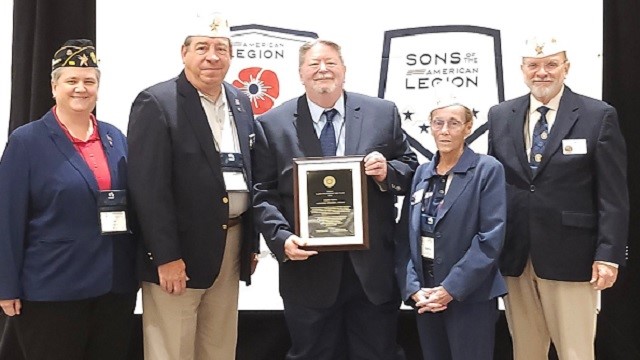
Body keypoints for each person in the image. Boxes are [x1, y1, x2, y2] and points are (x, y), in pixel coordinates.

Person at [253, 39, 418, 360]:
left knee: (379, 353)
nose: (323, 70)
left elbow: (410, 168)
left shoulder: (382, 113)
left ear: (344, 70)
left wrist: (387, 172)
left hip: (372, 269)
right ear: (301, 73)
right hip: (308, 270)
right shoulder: (272, 124)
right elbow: (263, 191)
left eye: (330, 62)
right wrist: (281, 238)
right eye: (313, 64)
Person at [127, 13, 259, 360]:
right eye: (202, 47)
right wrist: (166, 257)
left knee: (219, 346)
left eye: (221, 48)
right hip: (179, 251)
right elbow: (148, 189)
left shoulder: (241, 102)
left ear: (230, 56)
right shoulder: (156, 103)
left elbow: (251, 175)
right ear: (184, 53)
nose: (212, 57)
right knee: (172, 348)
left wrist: (251, 243)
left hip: (230, 244)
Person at [487, 36, 629, 360]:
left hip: (573, 256)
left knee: (575, 352)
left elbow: (613, 195)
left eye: (551, 64)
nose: (542, 73)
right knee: (525, 351)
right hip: (516, 257)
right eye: (533, 65)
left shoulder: (598, 115)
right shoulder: (500, 115)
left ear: (566, 68)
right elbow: (495, 186)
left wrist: (608, 254)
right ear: (522, 70)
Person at [0, 39, 137, 360]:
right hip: (52, 289)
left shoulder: (116, 137)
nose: (81, 88)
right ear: (54, 86)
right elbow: (7, 219)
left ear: (98, 88)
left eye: (89, 81)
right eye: (71, 80)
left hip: (113, 288)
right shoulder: (26, 141)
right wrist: (6, 286)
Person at [395, 87, 507, 360]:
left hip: (470, 295)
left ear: (468, 128)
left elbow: (490, 238)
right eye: (438, 123)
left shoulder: (487, 169)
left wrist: (450, 289)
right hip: (426, 295)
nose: (445, 130)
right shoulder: (421, 172)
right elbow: (404, 238)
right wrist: (413, 289)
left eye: (454, 123)